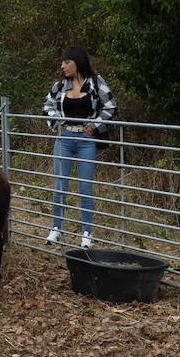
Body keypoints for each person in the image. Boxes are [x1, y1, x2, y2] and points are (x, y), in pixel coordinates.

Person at [43, 46, 117, 248]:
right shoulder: (60, 85)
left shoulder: (95, 82)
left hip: (86, 141)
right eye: (63, 62)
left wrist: (95, 125)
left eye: (67, 62)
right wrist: (58, 122)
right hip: (64, 139)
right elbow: (47, 106)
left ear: (77, 62)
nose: (62, 66)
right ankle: (56, 228)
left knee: (85, 187)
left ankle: (87, 234)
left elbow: (111, 106)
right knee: (60, 185)